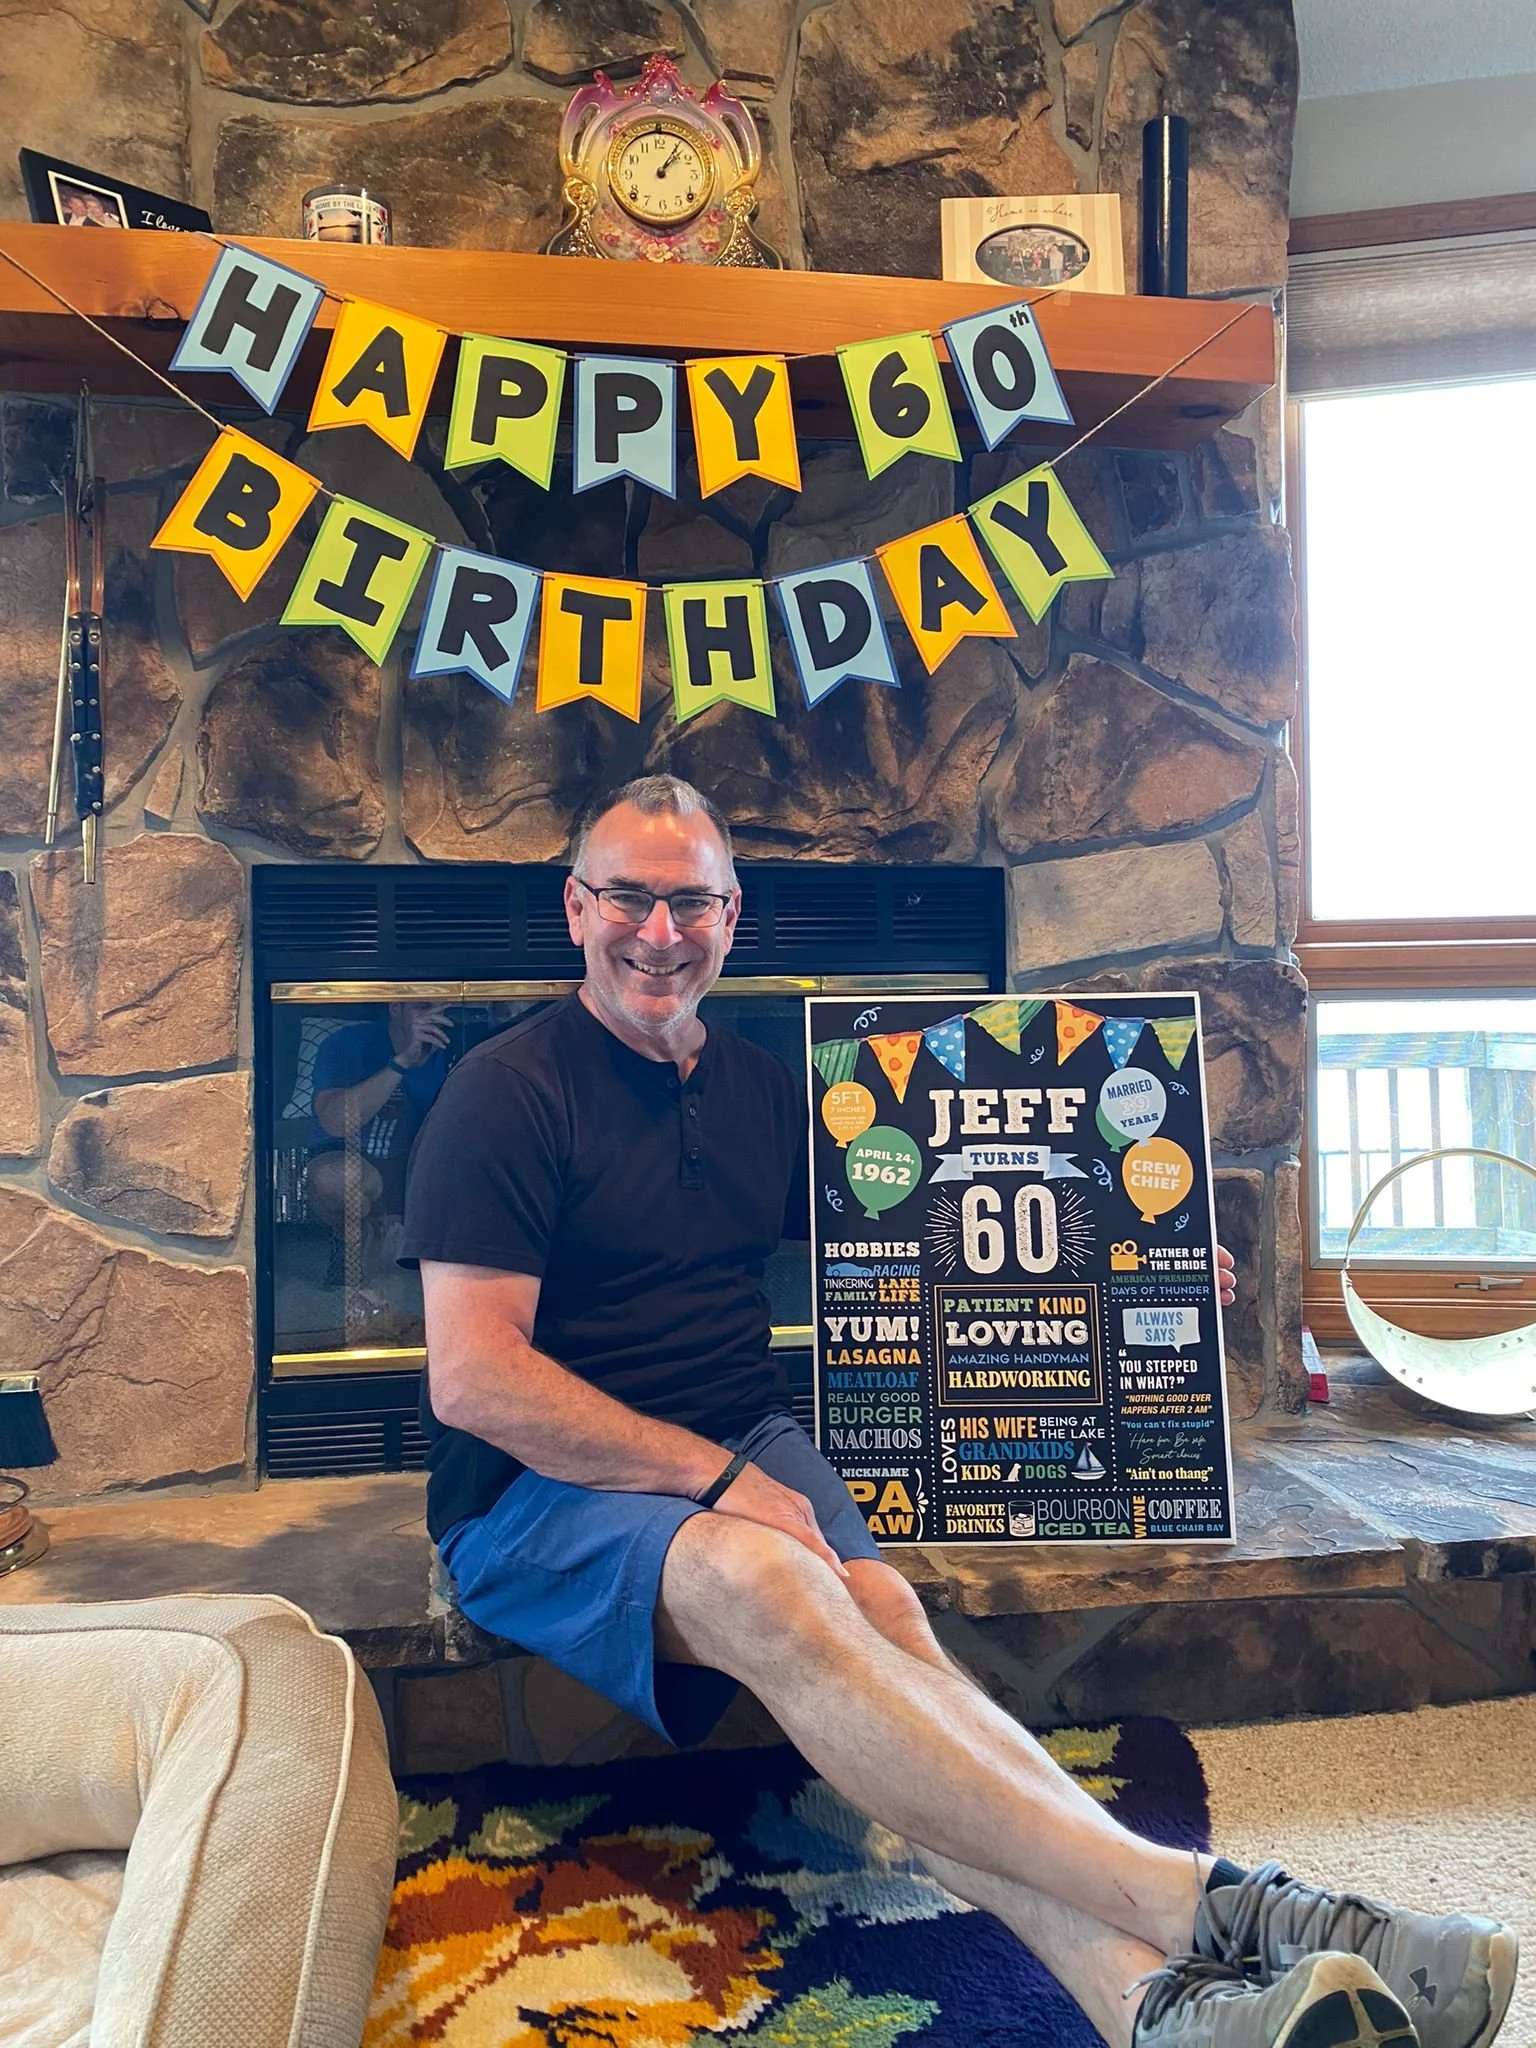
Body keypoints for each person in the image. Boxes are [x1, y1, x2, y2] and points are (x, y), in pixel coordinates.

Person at [402, 775, 1515, 2048]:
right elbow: (475, 1379)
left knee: (888, 1629)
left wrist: (1123, 1266)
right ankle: (1220, 1902)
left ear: (733, 915)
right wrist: (716, 1482)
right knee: (779, 1588)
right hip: (532, 1490)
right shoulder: (505, 1090)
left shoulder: (770, 1088)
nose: (659, 933)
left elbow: (935, 1235)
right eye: (630, 898)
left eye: (691, 901)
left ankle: (1148, 2005)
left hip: (737, 1438)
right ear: (575, 907)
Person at [308, 1001, 450, 1307]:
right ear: (396, 1007)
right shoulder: (347, 1044)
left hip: (420, 1163)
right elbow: (334, 1121)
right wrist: (402, 1062)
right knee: (337, 1180)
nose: (436, 1017)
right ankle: (353, 1240)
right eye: (423, 1007)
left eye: (445, 1008)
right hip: (351, 1155)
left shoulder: (456, 1044)